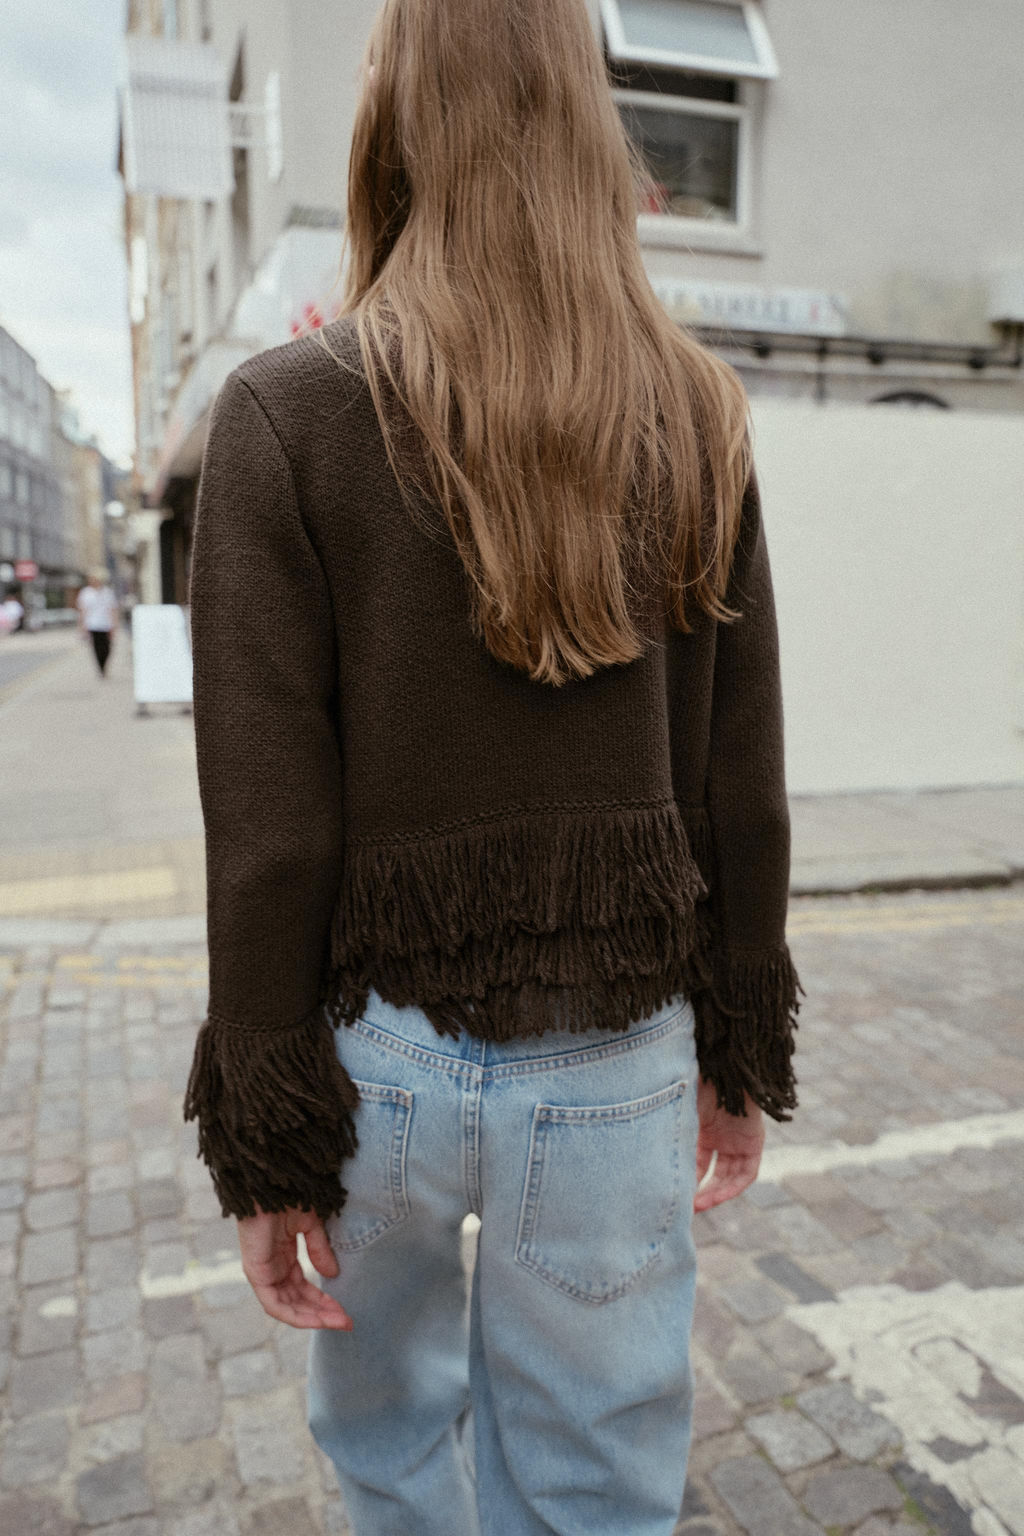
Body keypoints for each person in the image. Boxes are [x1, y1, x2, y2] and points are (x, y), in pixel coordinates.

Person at [183, 2, 804, 1531]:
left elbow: (267, 835)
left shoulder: (282, 416)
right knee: (595, 1478)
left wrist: (268, 1139)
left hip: (376, 1067)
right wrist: (736, 1050)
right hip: (618, 1057)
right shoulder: (695, 411)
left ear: (393, 121)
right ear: (588, 124)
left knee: (389, 1450)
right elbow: (740, 779)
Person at [75, 566, 119, 677]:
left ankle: (104, 665)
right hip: (92, 624)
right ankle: (101, 668)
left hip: (106, 624)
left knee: (107, 648)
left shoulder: (108, 592)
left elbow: (112, 610)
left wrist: (114, 625)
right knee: (97, 648)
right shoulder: (86, 593)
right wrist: (82, 627)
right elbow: (83, 611)